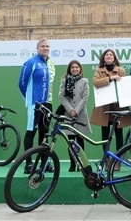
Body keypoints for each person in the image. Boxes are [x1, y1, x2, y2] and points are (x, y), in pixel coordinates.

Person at [90, 49, 131, 169]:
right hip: (104, 106)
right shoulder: (99, 70)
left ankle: (117, 161)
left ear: (114, 58)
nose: (109, 56)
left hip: (117, 105)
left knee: (118, 133)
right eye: (107, 55)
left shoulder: (121, 70)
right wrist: (111, 78)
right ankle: (107, 160)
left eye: (111, 55)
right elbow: (95, 82)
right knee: (105, 134)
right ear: (103, 58)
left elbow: (124, 85)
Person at [18, 38, 56, 174]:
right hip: (35, 104)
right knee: (31, 132)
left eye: (47, 46)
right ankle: (28, 163)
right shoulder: (31, 62)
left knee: (45, 134)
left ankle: (44, 163)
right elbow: (22, 83)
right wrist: (30, 100)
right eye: (43, 46)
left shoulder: (50, 63)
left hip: (48, 104)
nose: (45, 48)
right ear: (37, 48)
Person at [59, 60, 91, 172]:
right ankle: (72, 164)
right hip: (68, 114)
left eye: (77, 67)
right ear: (69, 69)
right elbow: (62, 97)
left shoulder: (85, 81)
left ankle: (81, 165)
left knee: (80, 141)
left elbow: (85, 97)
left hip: (81, 114)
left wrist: (76, 110)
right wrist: (70, 110)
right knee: (71, 141)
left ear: (80, 69)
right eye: (72, 67)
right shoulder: (64, 81)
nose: (75, 69)